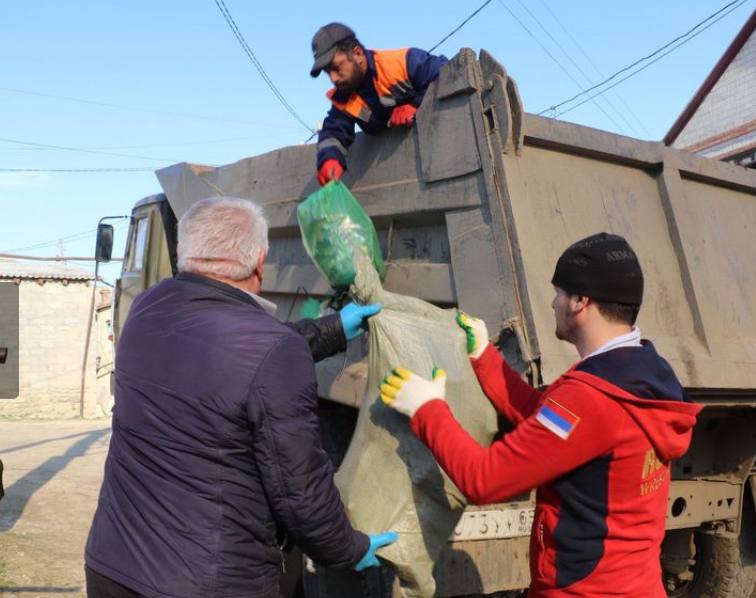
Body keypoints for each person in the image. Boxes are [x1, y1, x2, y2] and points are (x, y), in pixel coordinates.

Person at [85, 196, 396, 598]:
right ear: (260, 262)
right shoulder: (273, 352)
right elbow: (300, 492)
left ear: (183, 253)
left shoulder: (147, 308)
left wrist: (331, 330)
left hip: (112, 568)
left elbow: (238, 357)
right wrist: (349, 548)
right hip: (209, 585)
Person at [379, 232, 702, 597]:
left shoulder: (589, 400)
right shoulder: (643, 376)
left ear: (581, 301)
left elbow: (485, 480)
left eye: (560, 292)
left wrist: (427, 409)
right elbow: (551, 430)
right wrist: (486, 357)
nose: (553, 302)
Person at [310, 22, 447, 186]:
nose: (333, 79)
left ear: (358, 53)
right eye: (327, 73)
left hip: (440, 157)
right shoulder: (344, 97)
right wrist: (329, 158)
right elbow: (334, 130)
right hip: (397, 176)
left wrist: (417, 104)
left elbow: (448, 72)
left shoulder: (402, 63)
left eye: (336, 68)